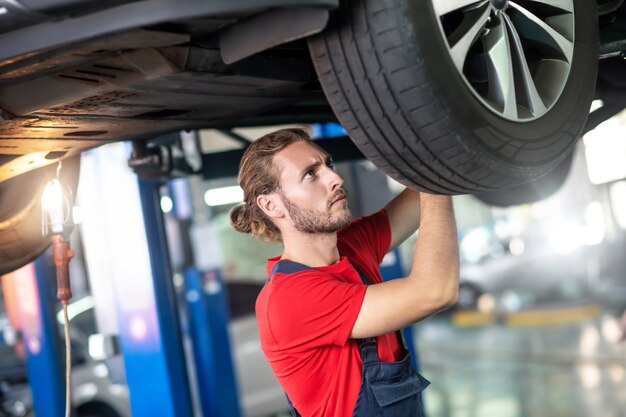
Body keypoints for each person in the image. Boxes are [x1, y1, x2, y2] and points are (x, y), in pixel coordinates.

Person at [230, 128, 459, 417]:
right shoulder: (289, 299)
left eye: (328, 165)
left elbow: (429, 189)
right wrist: (437, 156)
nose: (335, 179)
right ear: (271, 205)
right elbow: (435, 292)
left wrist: (450, 143)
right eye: (311, 174)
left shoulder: (351, 246)